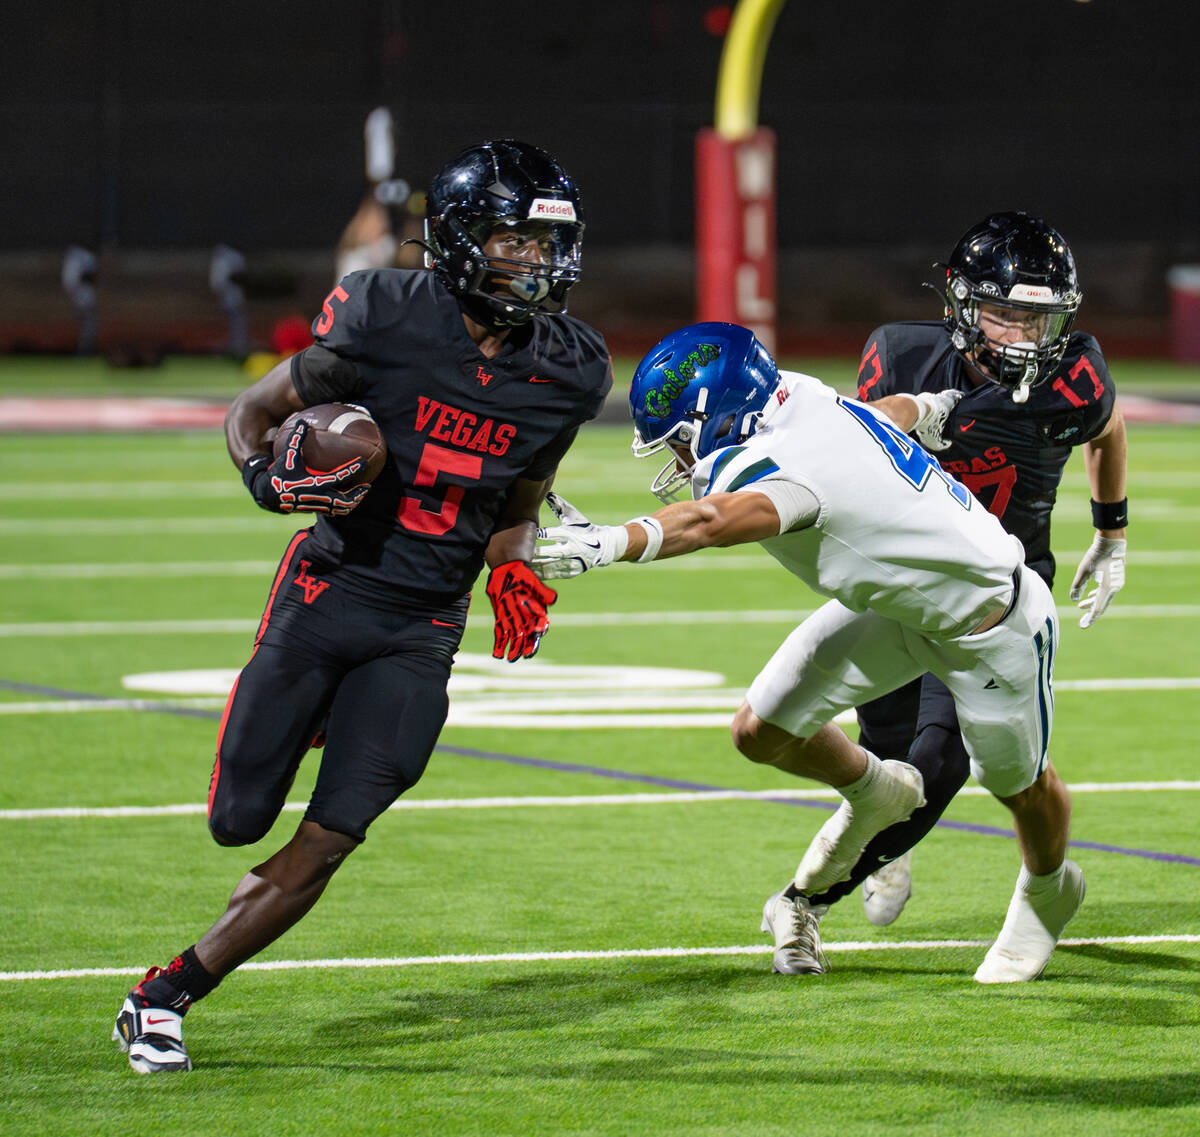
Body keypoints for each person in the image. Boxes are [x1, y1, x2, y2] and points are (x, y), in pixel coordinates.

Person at [111, 139, 612, 1074]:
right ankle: (305, 713)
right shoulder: (385, 314)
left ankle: (167, 993)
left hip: (423, 625)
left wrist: (514, 566)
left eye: (551, 246)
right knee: (237, 818)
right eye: (515, 244)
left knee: (339, 828)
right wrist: (268, 482)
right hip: (329, 591)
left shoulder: (571, 369)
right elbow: (252, 413)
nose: (538, 265)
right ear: (461, 241)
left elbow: (517, 498)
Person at [533, 320, 1083, 985]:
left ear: (716, 417)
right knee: (760, 730)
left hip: (990, 625)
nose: (677, 461)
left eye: (679, 440)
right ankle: (873, 787)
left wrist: (617, 541)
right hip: (896, 607)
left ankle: (1048, 889)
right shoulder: (796, 394)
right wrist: (930, 407)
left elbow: (714, 519)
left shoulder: (774, 467)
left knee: (1019, 786)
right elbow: (884, 413)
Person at [798, 211, 1127, 944]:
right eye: (1005, 314)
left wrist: (1113, 527)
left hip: (994, 595)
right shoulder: (902, 356)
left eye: (1038, 319)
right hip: (900, 581)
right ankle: (890, 844)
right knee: (881, 755)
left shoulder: (1072, 374)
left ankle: (806, 899)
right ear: (961, 304)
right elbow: (858, 443)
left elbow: (1106, 426)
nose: (1021, 336)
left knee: (936, 762)